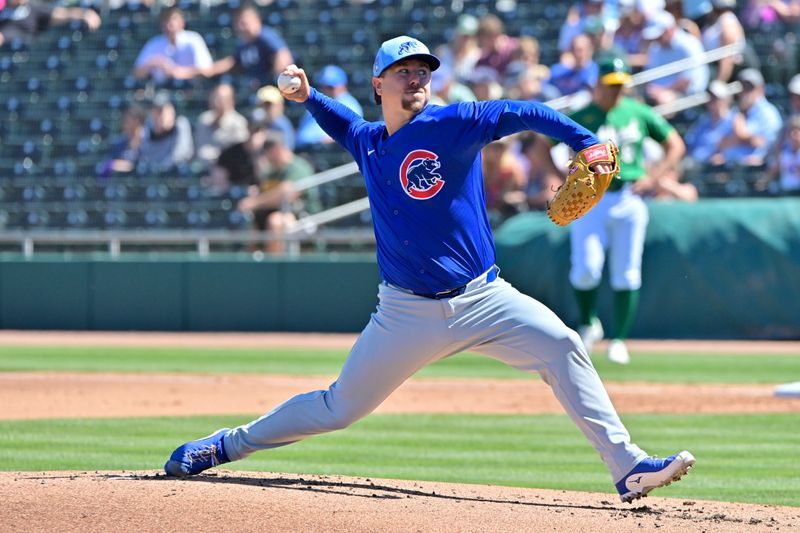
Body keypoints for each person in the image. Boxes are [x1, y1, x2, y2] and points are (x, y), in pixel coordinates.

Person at [164, 36, 696, 504]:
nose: (417, 78)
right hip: (406, 312)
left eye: (423, 71)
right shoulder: (370, 141)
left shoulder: (452, 123)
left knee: (563, 345)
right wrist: (307, 97)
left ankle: (626, 466)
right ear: (379, 84)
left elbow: (523, 111)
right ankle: (225, 446)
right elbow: (341, 123)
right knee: (338, 407)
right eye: (404, 71)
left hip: (486, 298)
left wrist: (584, 140)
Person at [538, 56, 685, 364]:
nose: (617, 91)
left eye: (621, 85)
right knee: (586, 269)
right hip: (590, 200)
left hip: (629, 195)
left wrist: (654, 177)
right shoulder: (581, 116)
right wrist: (557, 176)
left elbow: (675, 144)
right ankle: (589, 321)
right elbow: (540, 146)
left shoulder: (638, 112)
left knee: (627, 272)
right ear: (596, 85)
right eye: (610, 85)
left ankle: (618, 339)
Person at [237, 131, 316, 253]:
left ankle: (274, 268)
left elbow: (287, 193)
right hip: (270, 211)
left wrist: (255, 202)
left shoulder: (298, 167)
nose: (266, 154)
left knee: (276, 221)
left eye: (268, 150)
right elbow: (261, 192)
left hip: (301, 216)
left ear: (278, 148)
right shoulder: (269, 171)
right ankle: (251, 267)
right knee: (250, 221)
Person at [203, 2, 293, 90]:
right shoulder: (242, 44)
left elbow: (283, 55)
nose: (240, 27)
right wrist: (210, 70)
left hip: (270, 88)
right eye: (237, 23)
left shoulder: (266, 36)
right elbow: (233, 61)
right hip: (254, 86)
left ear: (257, 20)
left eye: (244, 23)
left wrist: (275, 81)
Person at [714, 68, 783, 167]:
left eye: (750, 87)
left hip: (759, 165)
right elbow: (721, 142)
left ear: (761, 89)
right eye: (743, 87)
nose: (745, 92)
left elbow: (758, 141)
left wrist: (741, 133)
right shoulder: (737, 110)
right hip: (735, 164)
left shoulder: (767, 112)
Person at [642, 10, 709, 105]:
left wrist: (662, 91)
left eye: (660, 35)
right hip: (658, 92)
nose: (657, 39)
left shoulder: (689, 45)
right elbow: (649, 73)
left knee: (664, 100)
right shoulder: (655, 48)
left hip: (686, 95)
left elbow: (686, 81)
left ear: (670, 30)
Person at [132, 6, 212, 85]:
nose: (169, 25)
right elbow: (136, 73)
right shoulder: (154, 43)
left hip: (191, 89)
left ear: (182, 22)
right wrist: (153, 63)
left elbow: (207, 70)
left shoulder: (193, 39)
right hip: (162, 90)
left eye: (173, 19)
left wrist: (177, 72)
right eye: (165, 20)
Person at [296, 65, 363, 149]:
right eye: (324, 86)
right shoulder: (318, 102)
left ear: (343, 86)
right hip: (304, 149)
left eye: (330, 87)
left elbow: (350, 133)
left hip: (326, 153)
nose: (326, 90)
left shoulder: (349, 104)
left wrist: (322, 144)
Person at [0, 0, 101, 47]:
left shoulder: (33, 9)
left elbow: (62, 13)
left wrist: (85, 14)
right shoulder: (3, 10)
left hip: (20, 48)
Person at [193, 83, 250, 165]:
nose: (216, 102)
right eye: (214, 97)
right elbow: (199, 149)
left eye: (220, 98)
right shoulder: (204, 119)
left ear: (230, 101)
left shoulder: (239, 123)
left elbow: (239, 152)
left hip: (227, 170)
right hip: (202, 170)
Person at [138, 91, 194, 173]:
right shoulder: (148, 127)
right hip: (153, 174)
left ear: (172, 111)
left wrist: (161, 167)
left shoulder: (181, 124)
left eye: (163, 110)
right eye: (156, 111)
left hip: (175, 175)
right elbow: (144, 154)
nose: (161, 115)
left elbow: (181, 154)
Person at [97, 104, 147, 178]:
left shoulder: (149, 140)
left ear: (137, 121)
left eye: (127, 120)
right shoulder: (120, 142)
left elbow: (145, 165)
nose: (124, 123)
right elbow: (109, 164)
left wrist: (117, 165)